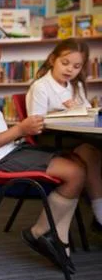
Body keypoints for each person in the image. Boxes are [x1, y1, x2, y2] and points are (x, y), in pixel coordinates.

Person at [0, 33, 86, 274]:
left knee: (77, 161)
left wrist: (20, 132)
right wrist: (20, 129)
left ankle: (57, 239)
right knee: (75, 171)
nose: (0, 70)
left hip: (9, 153)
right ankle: (40, 232)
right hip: (0, 161)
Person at [26, 38, 102, 235]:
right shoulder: (41, 87)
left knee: (93, 152)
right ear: (53, 60)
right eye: (65, 63)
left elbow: (85, 111)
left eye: (76, 66)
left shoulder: (74, 86)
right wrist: (64, 111)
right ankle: (100, 215)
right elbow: (36, 123)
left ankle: (98, 212)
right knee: (89, 153)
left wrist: (80, 109)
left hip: (75, 136)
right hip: (50, 139)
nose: (70, 70)